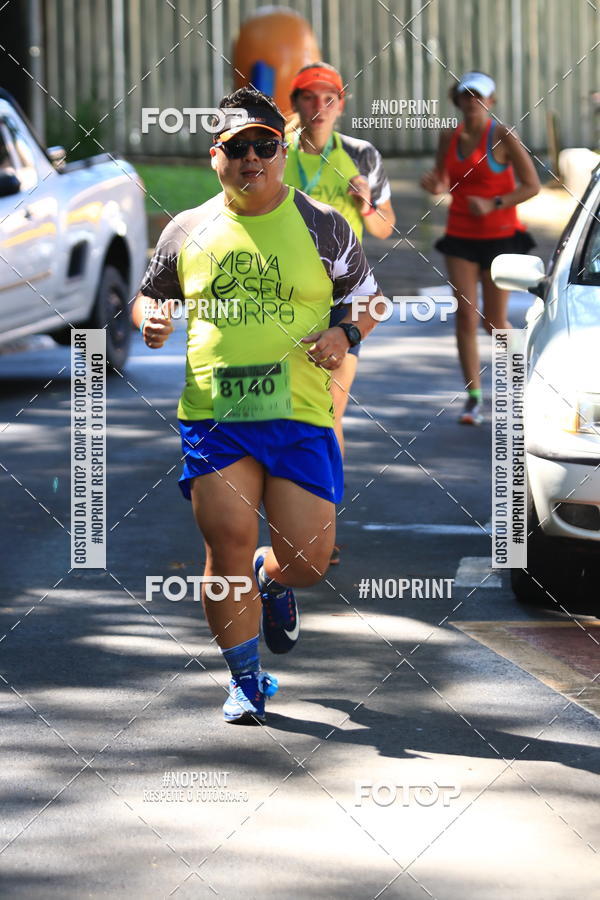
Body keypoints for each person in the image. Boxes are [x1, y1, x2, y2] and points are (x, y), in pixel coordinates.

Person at [133, 87, 381, 724]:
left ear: (281, 150)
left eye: (264, 146)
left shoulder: (325, 225)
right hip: (215, 415)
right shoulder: (186, 228)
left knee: (308, 561)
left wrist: (344, 333)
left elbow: (371, 299)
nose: (252, 158)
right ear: (214, 158)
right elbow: (148, 296)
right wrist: (152, 318)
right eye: (236, 147)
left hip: (299, 414)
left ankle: (273, 581)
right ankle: (246, 680)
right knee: (226, 547)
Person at [284, 61, 395, 562]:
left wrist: (368, 204)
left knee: (328, 412)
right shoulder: (273, 152)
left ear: (341, 104)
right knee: (280, 413)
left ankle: (321, 532)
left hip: (341, 300)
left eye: (329, 97)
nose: (319, 106)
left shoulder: (360, 154)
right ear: (296, 103)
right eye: (309, 96)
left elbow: (384, 230)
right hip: (279, 296)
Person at [421, 71, 540, 424]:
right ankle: (473, 397)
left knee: (493, 321)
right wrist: (434, 185)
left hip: (502, 236)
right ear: (457, 100)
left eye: (480, 96)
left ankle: (524, 384)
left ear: (491, 101)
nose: (473, 101)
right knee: (464, 316)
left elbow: (532, 185)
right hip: (460, 235)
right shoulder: (449, 136)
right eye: (466, 95)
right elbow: (443, 179)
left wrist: (495, 203)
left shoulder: (502, 135)